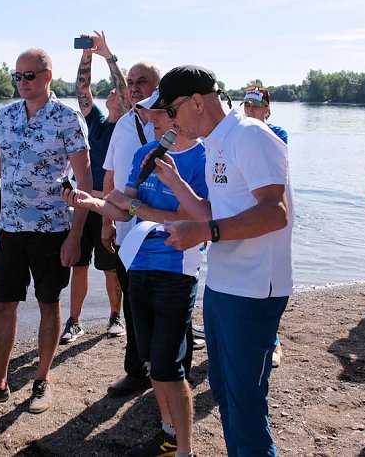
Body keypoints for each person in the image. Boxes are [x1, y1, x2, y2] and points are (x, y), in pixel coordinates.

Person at [155, 65, 293, 456]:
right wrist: (177, 185)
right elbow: (211, 214)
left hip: (254, 288)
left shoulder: (249, 136)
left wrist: (204, 234)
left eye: (171, 109)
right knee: (225, 392)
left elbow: (275, 213)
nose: (169, 120)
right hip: (223, 284)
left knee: (245, 402)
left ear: (197, 101)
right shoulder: (217, 140)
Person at [0, 47, 92, 414]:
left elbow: (86, 183)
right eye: (18, 76)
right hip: (11, 228)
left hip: (53, 230)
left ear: (47, 75)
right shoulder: (6, 116)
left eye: (29, 75)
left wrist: (75, 237)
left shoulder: (68, 118)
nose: (22, 82)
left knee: (48, 304)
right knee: (4, 305)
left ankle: (42, 379)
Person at [64, 93, 207, 457]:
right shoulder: (147, 155)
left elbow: (199, 222)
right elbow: (123, 207)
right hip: (137, 265)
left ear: (174, 116)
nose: (150, 124)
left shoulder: (203, 158)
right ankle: (168, 435)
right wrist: (91, 203)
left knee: (169, 367)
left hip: (176, 270)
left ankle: (186, 451)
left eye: (156, 117)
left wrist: (140, 207)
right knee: (150, 364)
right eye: (146, 117)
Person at [60, 31, 127, 345]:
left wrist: (108, 55)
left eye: (117, 93)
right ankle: (74, 322)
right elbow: (81, 88)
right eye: (111, 93)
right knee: (80, 264)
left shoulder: (128, 124)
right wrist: (87, 54)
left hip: (111, 205)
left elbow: (125, 90)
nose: (113, 95)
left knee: (110, 266)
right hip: (85, 201)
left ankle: (116, 317)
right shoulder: (97, 120)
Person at [101, 59, 162, 398]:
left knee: (165, 302)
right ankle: (136, 371)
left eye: (144, 80)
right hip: (126, 233)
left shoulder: (172, 124)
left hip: (164, 233)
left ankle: (170, 367)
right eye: (132, 81)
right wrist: (107, 221)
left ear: (158, 85)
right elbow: (110, 175)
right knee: (133, 305)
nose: (135, 86)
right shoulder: (123, 123)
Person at [242, 85, 287, 368]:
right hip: (244, 214)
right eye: (246, 105)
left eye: (256, 106)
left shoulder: (277, 134)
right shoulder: (238, 134)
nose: (250, 110)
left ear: (268, 109)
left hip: (268, 215)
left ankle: (273, 341)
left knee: (270, 282)